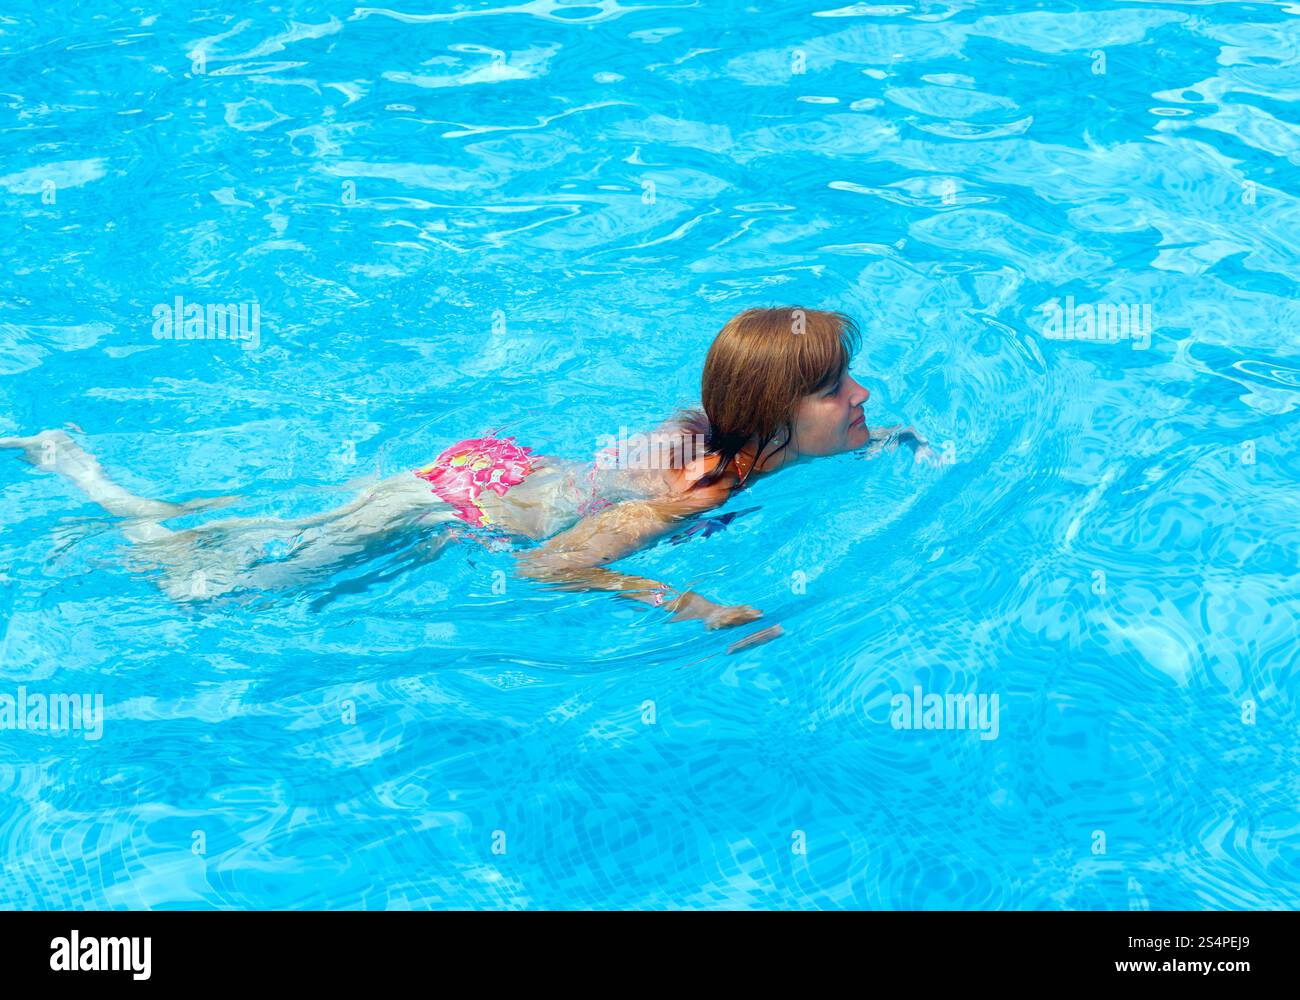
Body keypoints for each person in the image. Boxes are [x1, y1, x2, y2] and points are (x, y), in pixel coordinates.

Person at [1, 307, 929, 624]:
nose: (862, 396)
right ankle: (80, 473)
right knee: (205, 589)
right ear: (774, 417)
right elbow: (549, 565)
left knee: (250, 540)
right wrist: (692, 605)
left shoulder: (726, 437)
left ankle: (102, 482)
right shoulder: (695, 490)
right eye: (835, 389)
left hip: (492, 477)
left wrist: (887, 441)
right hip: (448, 508)